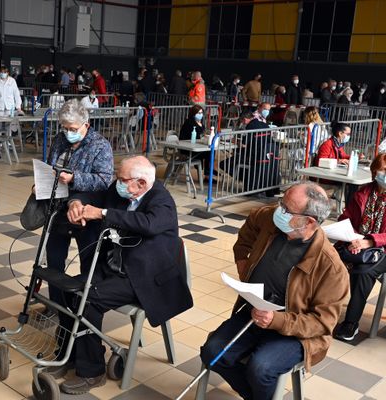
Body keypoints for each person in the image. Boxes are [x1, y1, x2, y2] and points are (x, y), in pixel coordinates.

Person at [54, 156, 193, 395]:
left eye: (121, 179)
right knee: (68, 291)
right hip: (116, 267)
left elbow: (149, 223)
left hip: (145, 278)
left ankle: (92, 372)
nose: (116, 182)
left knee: (89, 300)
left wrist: (103, 214)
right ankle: (71, 354)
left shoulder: (162, 200)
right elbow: (96, 198)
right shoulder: (123, 190)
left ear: (140, 183)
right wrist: (75, 203)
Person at [200, 182, 348, 400]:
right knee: (212, 353)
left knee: (261, 368)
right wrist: (242, 258)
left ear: (309, 221)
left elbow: (323, 322)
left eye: (286, 209)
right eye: (281, 202)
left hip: (297, 332)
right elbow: (251, 222)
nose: (279, 210)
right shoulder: (274, 219)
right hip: (255, 311)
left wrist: (278, 321)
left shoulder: (331, 266)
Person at [44, 99, 113, 314]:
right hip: (59, 206)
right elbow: (50, 166)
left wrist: (74, 178)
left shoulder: (100, 145)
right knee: (54, 257)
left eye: (72, 129)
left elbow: (104, 180)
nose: (68, 133)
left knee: (88, 258)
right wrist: (43, 181)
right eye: (64, 128)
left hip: (86, 210)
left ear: (86, 124)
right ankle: (56, 304)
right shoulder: (59, 140)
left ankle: (85, 306)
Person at [333, 154, 386, 341]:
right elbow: (346, 218)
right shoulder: (362, 193)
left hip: (382, 248)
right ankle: (316, 308)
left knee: (363, 271)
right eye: (382, 172)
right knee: (326, 257)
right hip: (356, 241)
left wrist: (370, 241)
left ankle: (351, 323)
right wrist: (352, 239)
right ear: (374, 172)